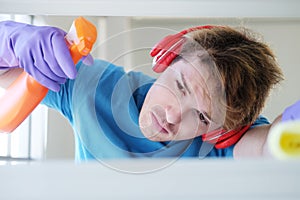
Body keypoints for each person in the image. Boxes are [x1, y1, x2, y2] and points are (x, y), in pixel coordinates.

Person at [0, 20, 296, 162]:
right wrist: (12, 42)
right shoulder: (94, 86)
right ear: (166, 57)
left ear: (222, 132)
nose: (173, 115)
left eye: (203, 117)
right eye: (180, 86)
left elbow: (272, 145)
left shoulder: (222, 148)